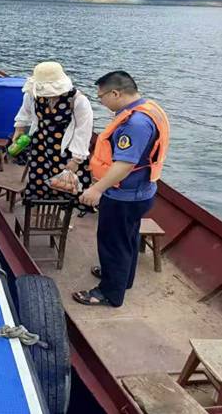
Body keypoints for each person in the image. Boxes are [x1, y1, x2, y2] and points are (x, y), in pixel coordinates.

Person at [73, 71, 169, 307]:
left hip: (124, 196)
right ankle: (122, 278)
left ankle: (109, 293)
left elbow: (125, 164)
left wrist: (97, 189)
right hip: (141, 190)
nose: (101, 102)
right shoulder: (149, 108)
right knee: (128, 238)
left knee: (113, 242)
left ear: (115, 93)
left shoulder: (135, 124)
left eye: (101, 97)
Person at [13, 61, 94, 211]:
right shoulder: (33, 94)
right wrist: (19, 129)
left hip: (66, 149)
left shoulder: (78, 100)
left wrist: (76, 159)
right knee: (39, 176)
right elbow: (25, 112)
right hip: (41, 144)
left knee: (65, 184)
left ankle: (64, 214)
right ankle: (39, 207)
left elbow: (83, 131)